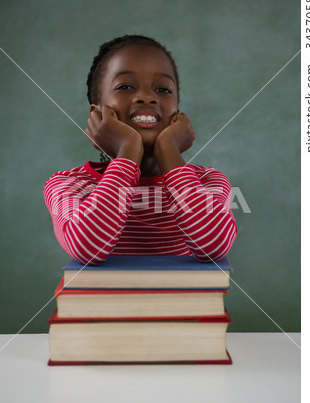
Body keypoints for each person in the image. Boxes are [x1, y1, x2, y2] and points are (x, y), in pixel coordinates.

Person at [43, 34, 237, 265]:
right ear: (96, 115)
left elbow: (214, 246)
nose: (147, 97)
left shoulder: (208, 181)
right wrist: (128, 150)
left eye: (163, 90)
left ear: (177, 112)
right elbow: (88, 249)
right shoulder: (69, 184)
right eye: (124, 86)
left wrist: (169, 150)